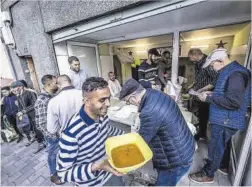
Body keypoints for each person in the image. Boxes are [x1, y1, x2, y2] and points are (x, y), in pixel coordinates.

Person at [189, 48, 251, 184]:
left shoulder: (236, 74)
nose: (212, 68)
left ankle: (208, 174)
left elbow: (234, 102)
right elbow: (227, 94)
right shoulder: (229, 71)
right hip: (224, 119)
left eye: (212, 65)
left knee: (216, 147)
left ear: (220, 61)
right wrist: (212, 94)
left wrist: (208, 99)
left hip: (226, 120)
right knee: (222, 145)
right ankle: (221, 165)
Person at [119, 78, 195, 186]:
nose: (130, 104)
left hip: (175, 160)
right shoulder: (155, 94)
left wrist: (124, 159)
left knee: (165, 183)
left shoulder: (149, 112)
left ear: (133, 97)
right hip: (183, 147)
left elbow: (141, 142)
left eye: (128, 101)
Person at [56, 77, 124, 186]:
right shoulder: (72, 133)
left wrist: (128, 136)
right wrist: (95, 166)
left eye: (108, 98)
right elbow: (63, 174)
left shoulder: (102, 116)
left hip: (110, 174)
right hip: (92, 183)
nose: (108, 104)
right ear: (87, 101)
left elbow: (107, 129)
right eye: (102, 100)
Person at [34, 75, 63, 185]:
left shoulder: (52, 96)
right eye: (56, 83)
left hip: (58, 133)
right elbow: (40, 123)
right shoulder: (41, 101)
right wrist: (52, 135)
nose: (58, 84)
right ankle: (54, 175)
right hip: (53, 135)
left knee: (58, 154)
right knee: (52, 155)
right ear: (49, 84)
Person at [188, 48, 218, 140]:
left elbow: (215, 80)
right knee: (201, 114)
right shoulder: (198, 63)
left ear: (195, 55)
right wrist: (193, 84)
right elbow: (200, 77)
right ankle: (201, 131)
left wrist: (202, 89)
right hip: (199, 93)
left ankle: (202, 134)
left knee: (204, 114)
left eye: (190, 57)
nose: (190, 59)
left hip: (206, 94)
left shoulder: (207, 63)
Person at [10, 81, 45, 153]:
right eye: (13, 89)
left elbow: (34, 104)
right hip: (27, 116)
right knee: (31, 128)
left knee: (37, 129)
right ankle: (37, 139)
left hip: (34, 114)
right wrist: (19, 113)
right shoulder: (19, 94)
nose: (14, 91)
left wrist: (23, 111)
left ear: (21, 86)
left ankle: (41, 143)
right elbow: (20, 106)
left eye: (15, 88)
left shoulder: (30, 92)